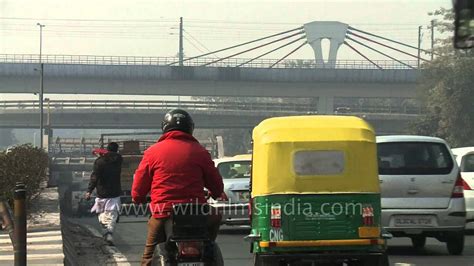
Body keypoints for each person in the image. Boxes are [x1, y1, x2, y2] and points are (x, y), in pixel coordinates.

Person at [132, 109, 226, 266]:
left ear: (165, 128)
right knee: (215, 217)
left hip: (163, 212)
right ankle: (206, 246)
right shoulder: (200, 152)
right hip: (197, 212)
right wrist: (215, 193)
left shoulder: (152, 152)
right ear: (190, 128)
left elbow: (139, 186)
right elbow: (216, 184)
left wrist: (138, 198)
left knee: (149, 256)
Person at [85, 142, 123, 245]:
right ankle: (109, 232)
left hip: (101, 192)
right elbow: (112, 157)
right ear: (117, 150)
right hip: (114, 193)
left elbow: (94, 177)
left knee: (101, 213)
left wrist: (89, 191)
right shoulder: (119, 160)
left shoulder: (99, 162)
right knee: (112, 214)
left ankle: (106, 231)